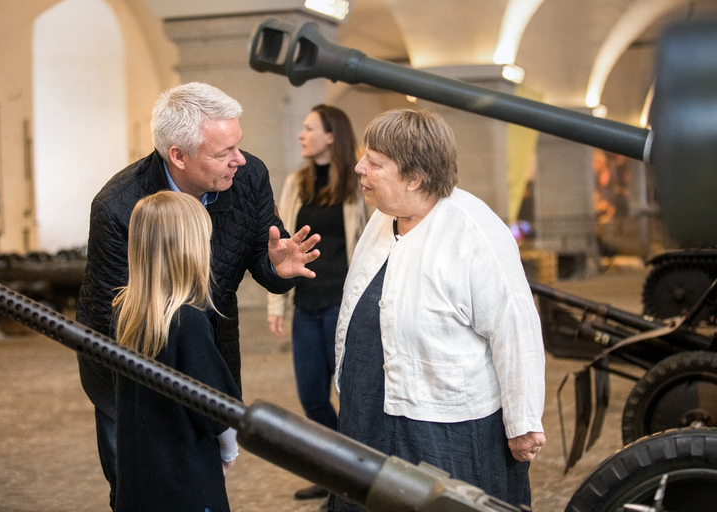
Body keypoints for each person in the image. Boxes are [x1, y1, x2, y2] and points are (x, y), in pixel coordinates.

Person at [76, 82, 320, 509]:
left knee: (201, 480)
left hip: (208, 352)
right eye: (223, 152)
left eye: (238, 146)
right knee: (136, 487)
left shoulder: (249, 178)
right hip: (130, 381)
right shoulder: (118, 207)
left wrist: (279, 270)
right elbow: (114, 317)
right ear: (178, 155)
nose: (238, 160)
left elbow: (262, 260)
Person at [329, 109, 546, 511]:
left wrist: (523, 422)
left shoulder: (476, 232)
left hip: (447, 429)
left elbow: (515, 328)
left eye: (374, 162)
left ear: (415, 177)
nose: (359, 168)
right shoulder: (382, 219)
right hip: (369, 413)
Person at [112, 191, 240, 512]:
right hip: (188, 483)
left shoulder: (125, 314)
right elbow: (217, 407)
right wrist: (229, 452)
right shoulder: (189, 321)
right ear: (191, 250)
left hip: (138, 480)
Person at [266, 105, 369, 501]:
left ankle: (351, 482)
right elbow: (279, 242)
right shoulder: (296, 182)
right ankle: (334, 474)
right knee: (312, 395)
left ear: (331, 136)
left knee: (349, 394)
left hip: (343, 306)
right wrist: (277, 305)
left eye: (309, 128)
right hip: (306, 305)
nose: (301, 135)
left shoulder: (357, 183)